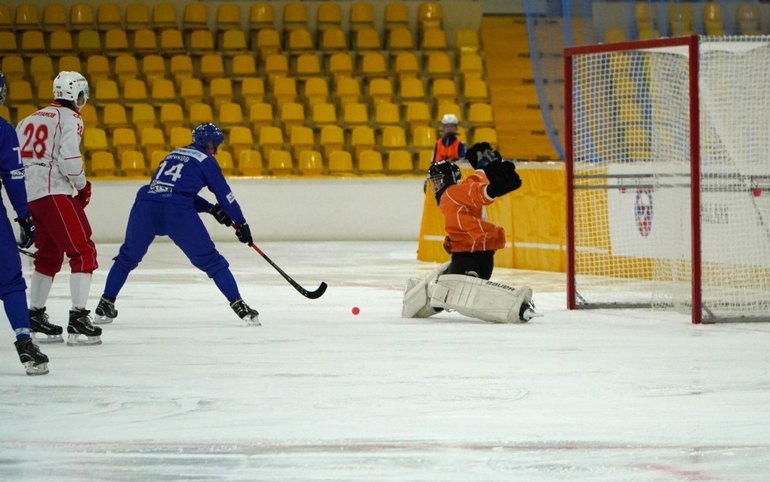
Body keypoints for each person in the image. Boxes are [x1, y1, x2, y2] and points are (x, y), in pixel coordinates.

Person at [94, 123, 260, 326]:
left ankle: (105, 303)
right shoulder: (206, 160)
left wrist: (210, 209)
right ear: (211, 143)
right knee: (211, 261)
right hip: (176, 212)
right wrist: (241, 222)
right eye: (216, 145)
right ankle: (240, 307)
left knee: (126, 257)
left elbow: (167, 189)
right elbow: (224, 195)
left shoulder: (173, 154)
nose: (216, 149)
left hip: (145, 205)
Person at [403, 142, 538, 323]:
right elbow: (473, 185)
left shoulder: (449, 194)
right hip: (479, 255)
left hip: (468, 255)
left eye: (437, 182)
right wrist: (483, 170)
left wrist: (492, 189)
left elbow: (477, 192)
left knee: (451, 290)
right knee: (448, 288)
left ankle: (517, 307)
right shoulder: (457, 192)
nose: (435, 187)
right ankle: (421, 298)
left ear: (448, 179)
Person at [15, 71, 101, 346]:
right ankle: (78, 318)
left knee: (49, 255)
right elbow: (70, 157)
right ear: (77, 94)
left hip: (30, 194)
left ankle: (35, 315)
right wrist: (82, 185)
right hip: (55, 191)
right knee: (83, 251)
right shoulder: (71, 118)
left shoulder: (27, 119)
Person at [0, 72, 49, 375]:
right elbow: (14, 177)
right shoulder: (3, 131)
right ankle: (24, 343)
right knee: (9, 280)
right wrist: (25, 217)